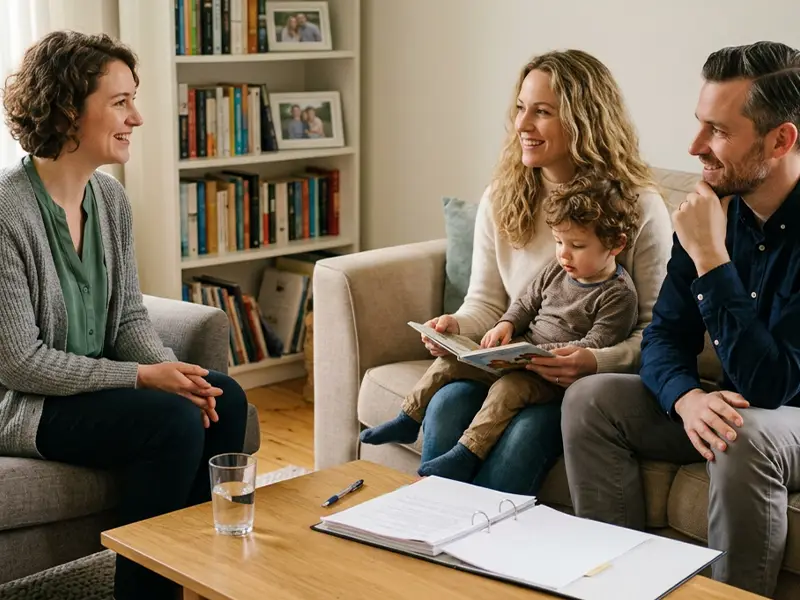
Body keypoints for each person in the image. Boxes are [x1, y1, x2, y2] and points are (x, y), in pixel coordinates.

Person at [0, 31, 248, 600]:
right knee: (171, 422)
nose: (136, 117)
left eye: (133, 99)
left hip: (84, 391)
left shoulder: (110, 200)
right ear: (67, 110)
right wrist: (141, 377)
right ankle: (144, 592)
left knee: (221, 398)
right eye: (120, 102)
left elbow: (129, 322)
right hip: (24, 404)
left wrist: (177, 376)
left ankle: (194, 574)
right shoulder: (6, 213)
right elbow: (18, 363)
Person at [561, 41, 800, 598]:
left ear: (781, 139)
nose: (695, 148)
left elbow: (772, 386)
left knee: (740, 435)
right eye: (700, 125)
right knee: (591, 401)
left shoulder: (707, 230)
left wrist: (712, 260)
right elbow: (665, 335)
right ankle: (614, 587)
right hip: (736, 407)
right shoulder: (711, 209)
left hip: (788, 413)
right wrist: (686, 398)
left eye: (717, 131)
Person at [414, 49, 673, 495]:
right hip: (513, 366)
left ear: (583, 121)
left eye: (542, 112)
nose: (521, 124)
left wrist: (595, 360)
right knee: (447, 404)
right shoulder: (503, 195)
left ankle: (486, 557)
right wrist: (455, 326)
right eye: (520, 108)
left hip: (576, 387)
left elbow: (658, 330)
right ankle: (428, 537)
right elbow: (487, 303)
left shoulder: (637, 205)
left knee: (526, 434)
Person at [361, 177, 639, 481]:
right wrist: (505, 325)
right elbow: (525, 303)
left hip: (554, 377)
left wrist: (534, 353)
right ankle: (408, 417)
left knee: (508, 389)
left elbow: (594, 344)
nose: (564, 254)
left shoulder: (618, 294)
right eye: (559, 242)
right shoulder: (556, 269)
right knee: (450, 361)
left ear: (616, 244)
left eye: (577, 246)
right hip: (521, 352)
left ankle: (467, 453)